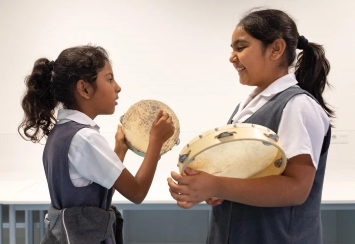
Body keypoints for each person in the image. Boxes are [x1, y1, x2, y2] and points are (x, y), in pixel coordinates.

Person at [168, 8, 333, 244]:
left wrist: (218, 185)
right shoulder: (247, 107)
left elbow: (297, 188)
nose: (232, 57)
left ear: (275, 49)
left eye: (241, 47)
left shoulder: (298, 106)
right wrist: (209, 189)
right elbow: (248, 177)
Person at [18, 44, 175, 244]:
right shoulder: (85, 138)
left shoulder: (63, 132)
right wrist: (156, 142)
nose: (117, 87)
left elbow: (103, 184)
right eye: (109, 79)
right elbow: (137, 192)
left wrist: (120, 148)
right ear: (84, 88)